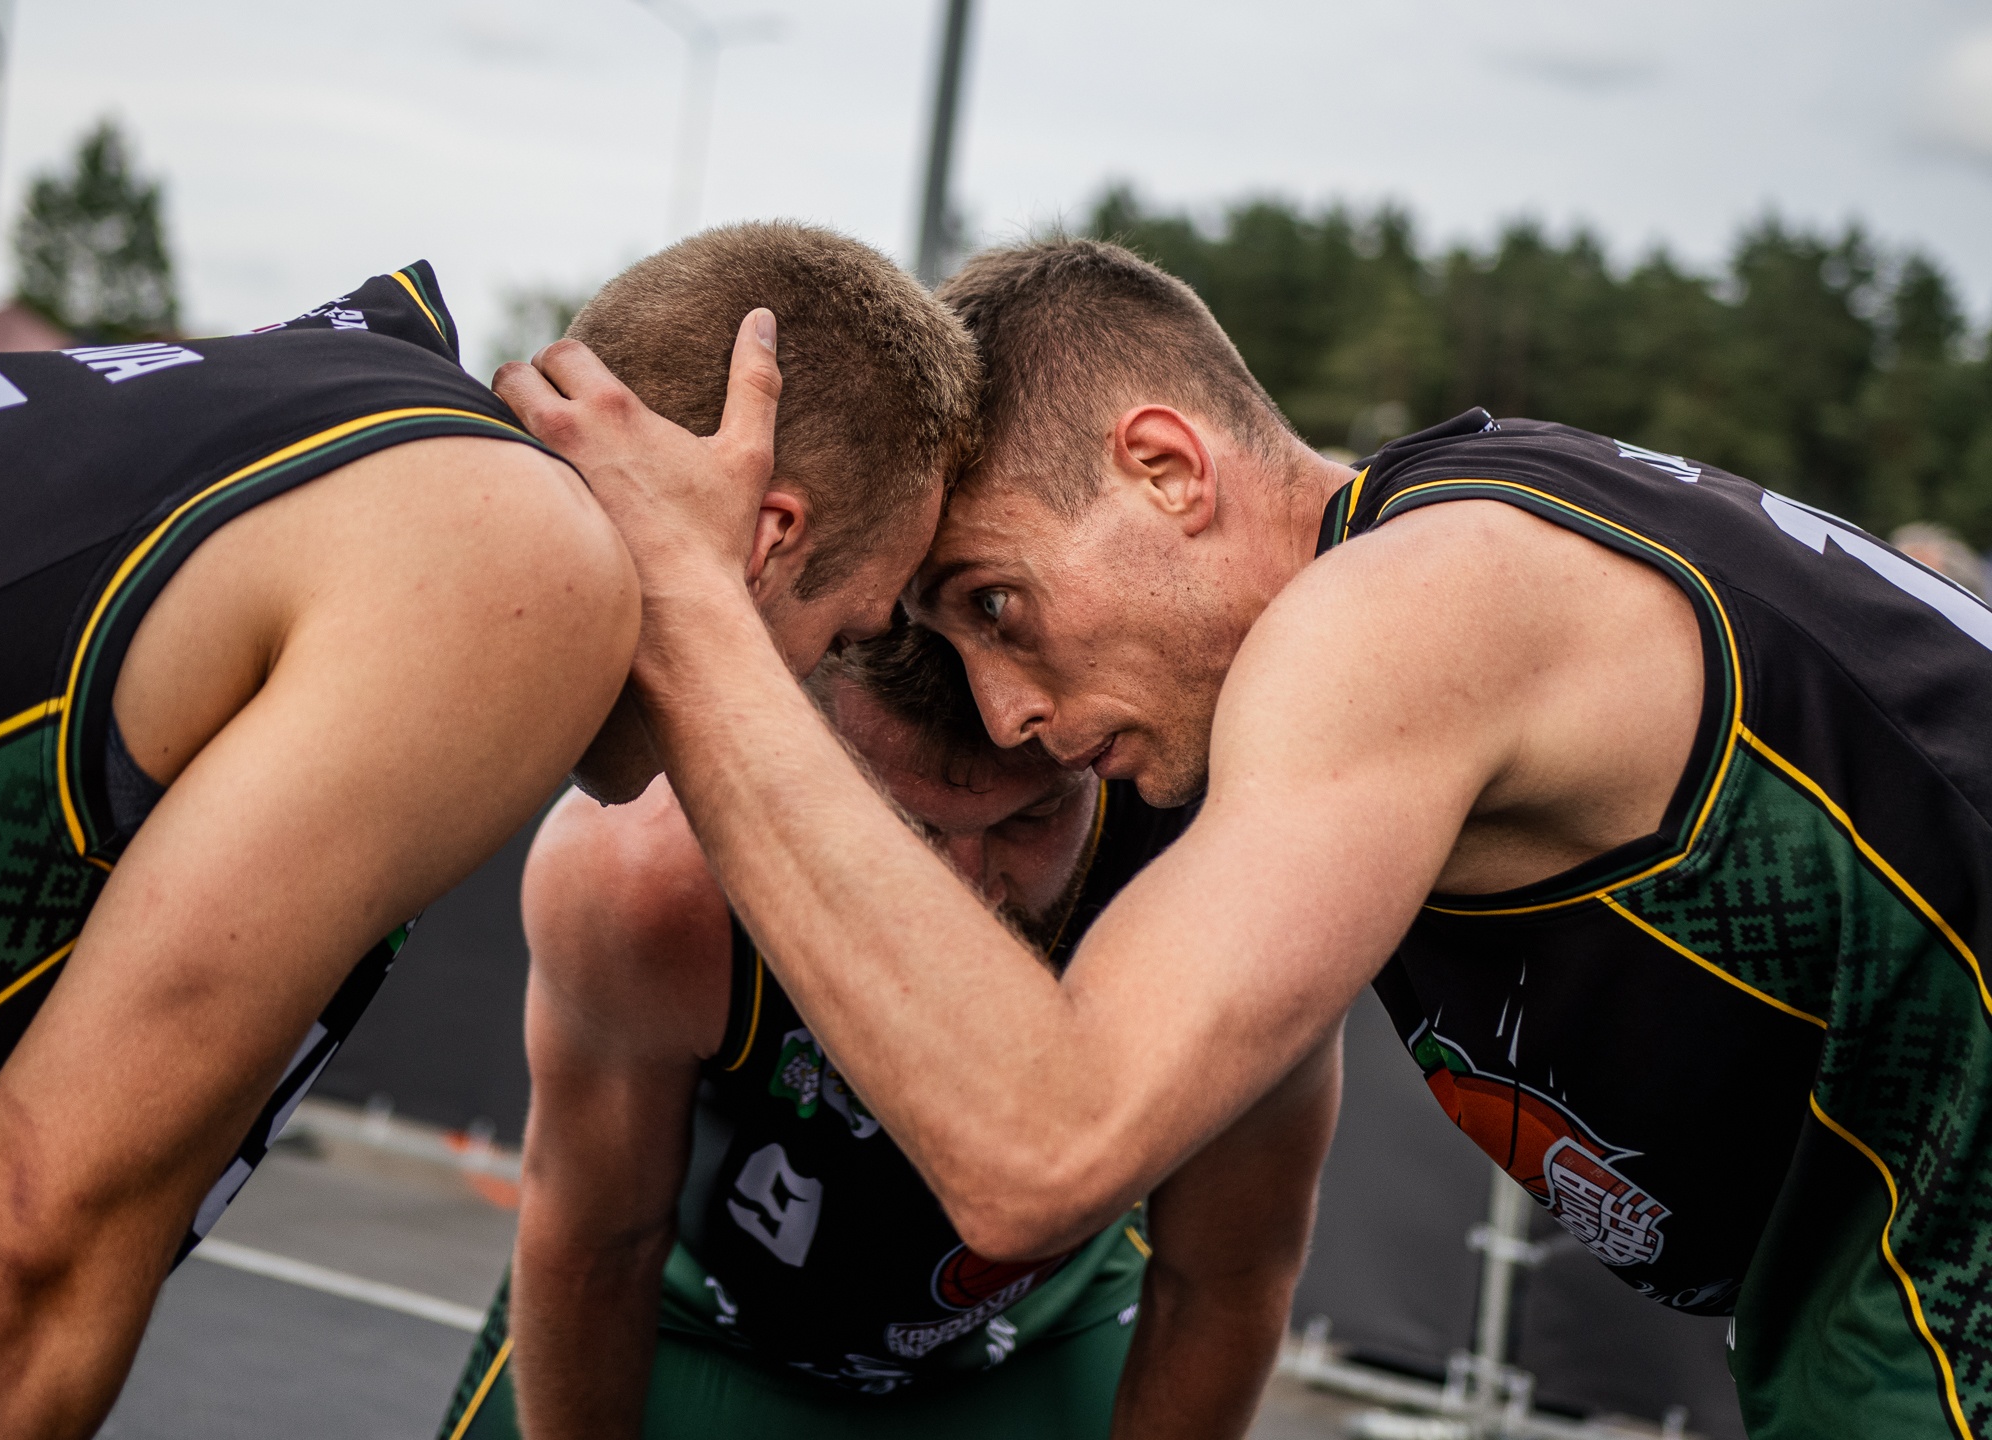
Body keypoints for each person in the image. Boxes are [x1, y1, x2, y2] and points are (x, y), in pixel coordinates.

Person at [492, 236, 1992, 1440]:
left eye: (999, 603)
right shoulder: (1482, 540)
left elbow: (1042, 1151)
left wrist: (695, 608)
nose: (1008, 713)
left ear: (1166, 467)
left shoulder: (1403, 611)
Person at [0, 222, 977, 1438]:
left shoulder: (351, 405)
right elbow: (6, 1281)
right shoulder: (517, 557)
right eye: (841, 642)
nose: (816, 697)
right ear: (767, 539)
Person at [438, 617, 1326, 1439]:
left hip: (1043, 1334)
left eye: (1028, 819)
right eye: (909, 828)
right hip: (694, 1315)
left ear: (1091, 758)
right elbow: (599, 1247)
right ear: (806, 750)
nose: (970, 894)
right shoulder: (648, 868)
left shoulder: (1221, 863)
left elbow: (1224, 1279)